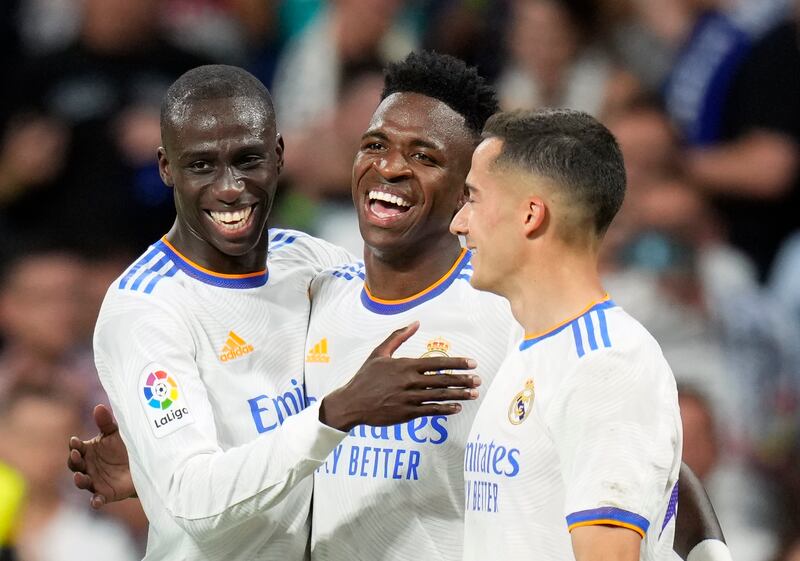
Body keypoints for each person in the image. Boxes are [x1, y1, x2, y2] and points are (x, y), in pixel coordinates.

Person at [71, 57, 730, 561]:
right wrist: (168, 472)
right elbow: (293, 437)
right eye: (376, 144)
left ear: (470, 185)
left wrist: (712, 556)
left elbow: (648, 458)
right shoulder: (321, 289)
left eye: (424, 156)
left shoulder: (509, 311)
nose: (389, 168)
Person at [83, 63, 480, 560]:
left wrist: (145, 466)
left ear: (278, 155)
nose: (230, 188)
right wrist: (337, 413)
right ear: (166, 167)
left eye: (248, 160)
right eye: (202, 165)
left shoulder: (312, 264)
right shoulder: (145, 308)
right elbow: (194, 501)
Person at [450, 109, 682, 561]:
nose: (459, 223)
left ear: (531, 215)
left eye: (473, 199)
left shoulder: (607, 364)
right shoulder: (531, 348)